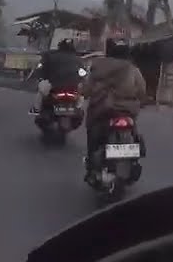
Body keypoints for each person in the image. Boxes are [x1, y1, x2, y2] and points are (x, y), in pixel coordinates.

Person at [80, 37, 148, 176]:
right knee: (133, 130)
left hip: (102, 109)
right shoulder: (132, 69)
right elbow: (142, 90)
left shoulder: (98, 66)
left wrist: (85, 93)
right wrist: (141, 100)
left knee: (92, 131)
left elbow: (86, 89)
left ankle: (91, 163)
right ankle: (134, 157)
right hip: (127, 110)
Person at [32, 38, 84, 113]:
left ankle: (36, 109)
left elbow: (41, 69)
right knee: (81, 95)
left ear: (60, 46)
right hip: (73, 86)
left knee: (41, 92)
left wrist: (41, 77)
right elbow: (83, 72)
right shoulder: (78, 59)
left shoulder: (51, 56)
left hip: (54, 85)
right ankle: (79, 109)